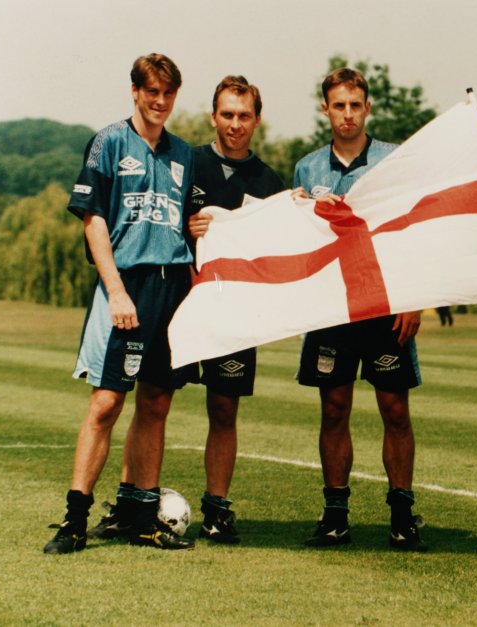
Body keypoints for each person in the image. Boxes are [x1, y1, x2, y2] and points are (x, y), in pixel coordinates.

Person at [44, 53, 196, 554]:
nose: (160, 102)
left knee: (156, 401)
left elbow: (194, 223)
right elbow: (93, 220)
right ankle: (74, 519)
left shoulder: (183, 153)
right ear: (134, 91)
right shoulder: (109, 141)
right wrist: (115, 291)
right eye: (151, 92)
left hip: (172, 287)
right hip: (127, 285)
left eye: (168, 94)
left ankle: (139, 515)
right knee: (107, 402)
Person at [293, 67, 426, 552]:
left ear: (367, 108)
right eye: (338, 105)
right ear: (325, 109)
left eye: (355, 105)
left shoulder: (393, 160)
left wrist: (415, 297)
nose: (347, 114)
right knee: (333, 409)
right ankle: (335, 516)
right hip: (331, 308)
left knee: (394, 408)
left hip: (386, 303)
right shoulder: (307, 168)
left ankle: (403, 515)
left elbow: (413, 229)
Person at [184, 76, 286, 543]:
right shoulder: (186, 164)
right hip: (180, 305)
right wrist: (189, 227)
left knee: (224, 408)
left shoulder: (269, 182)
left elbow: (276, 253)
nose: (235, 124)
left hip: (234, 315)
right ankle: (135, 500)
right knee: (153, 400)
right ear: (213, 117)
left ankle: (217, 508)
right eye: (227, 114)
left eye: (244, 115)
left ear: (256, 120)